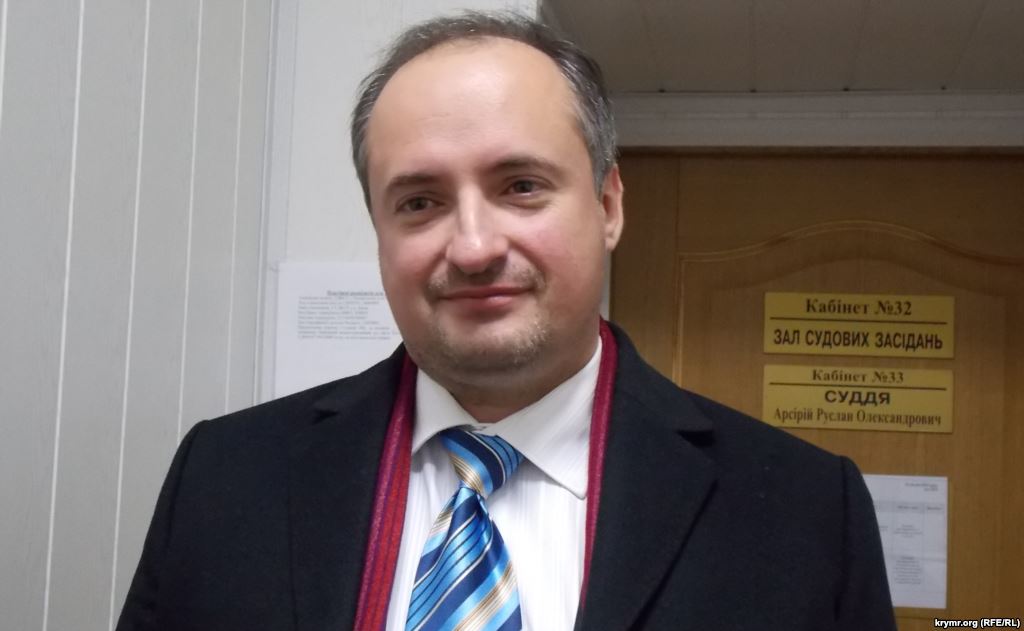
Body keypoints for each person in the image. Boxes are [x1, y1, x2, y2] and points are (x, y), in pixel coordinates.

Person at [117, 11, 896, 631]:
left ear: (609, 205)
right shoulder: (226, 479)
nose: (474, 246)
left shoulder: (801, 511)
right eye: (419, 201)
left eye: (521, 186)